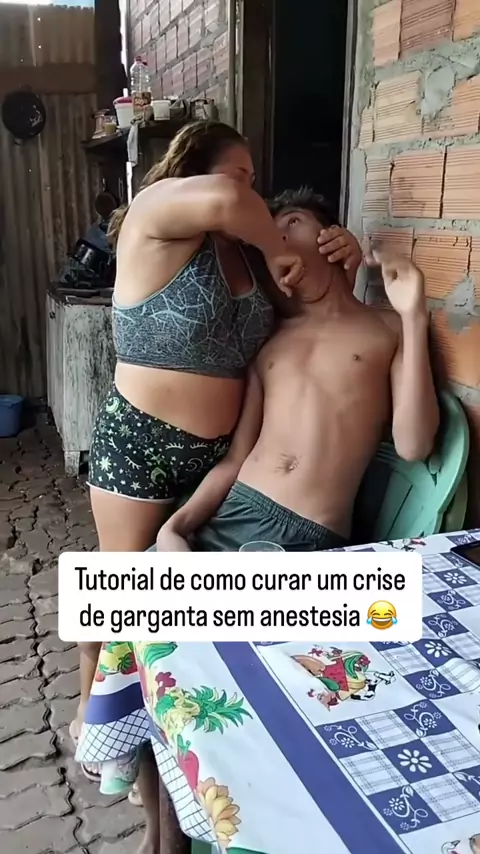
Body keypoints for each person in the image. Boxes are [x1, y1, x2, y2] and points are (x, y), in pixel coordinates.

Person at [71, 122, 363, 796]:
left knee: (173, 612)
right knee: (121, 599)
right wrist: (272, 241)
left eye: (256, 182)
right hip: (141, 443)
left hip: (219, 460)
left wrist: (343, 256)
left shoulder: (244, 252)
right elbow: (229, 203)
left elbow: (309, 306)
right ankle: (98, 723)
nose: (251, 192)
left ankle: (176, 754)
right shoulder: (155, 216)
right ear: (195, 169)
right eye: (241, 175)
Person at [157, 188, 440, 553]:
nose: (280, 237)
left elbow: (414, 444)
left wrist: (414, 315)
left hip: (301, 532)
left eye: (293, 221)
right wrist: (175, 527)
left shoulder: (388, 329)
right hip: (230, 511)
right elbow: (237, 458)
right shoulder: (270, 342)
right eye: (270, 237)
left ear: (333, 237)